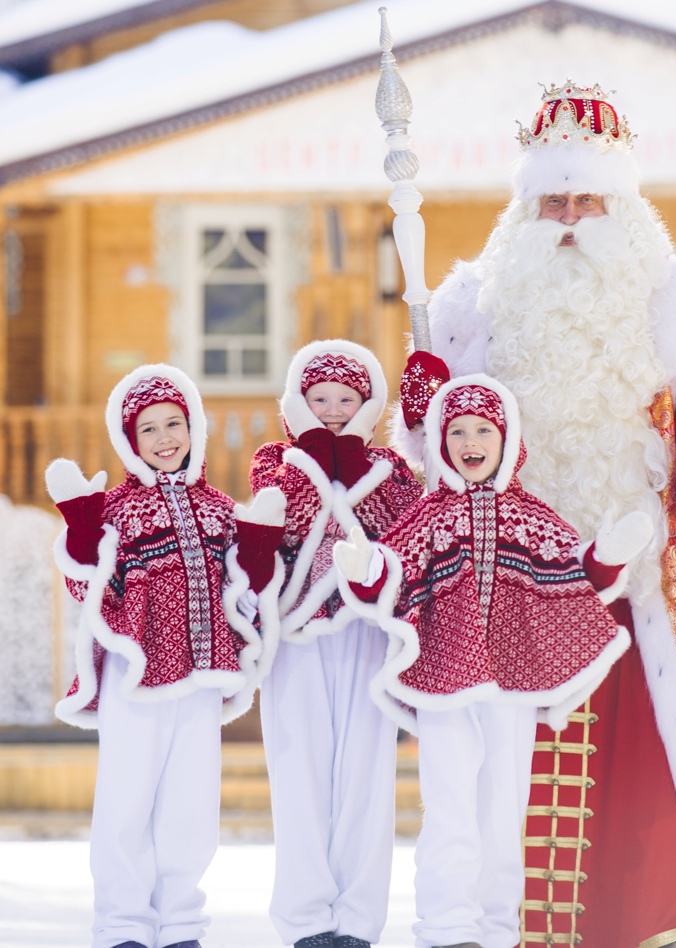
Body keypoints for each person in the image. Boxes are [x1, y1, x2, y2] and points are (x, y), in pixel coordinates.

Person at [398, 81, 676, 948]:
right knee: (508, 776)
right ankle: (507, 923)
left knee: (649, 775)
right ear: (526, 208)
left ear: (624, 204)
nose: (569, 218)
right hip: (512, 593)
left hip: (640, 580)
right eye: (553, 200)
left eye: (587, 199)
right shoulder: (467, 310)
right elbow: (438, 458)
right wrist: (421, 412)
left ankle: (655, 921)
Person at [334, 374, 646, 948]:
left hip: (513, 681)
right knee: (450, 804)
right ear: (441, 440)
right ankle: (448, 927)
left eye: (484, 429)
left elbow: (574, 577)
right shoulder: (429, 515)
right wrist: (366, 568)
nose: (470, 440)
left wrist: (606, 557)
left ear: (507, 440)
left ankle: (498, 929)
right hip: (445, 679)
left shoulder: (532, 517)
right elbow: (393, 575)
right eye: (457, 430)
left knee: (504, 809)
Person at [46, 364, 284, 948]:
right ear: (129, 441)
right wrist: (81, 526)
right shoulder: (116, 509)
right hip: (137, 672)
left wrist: (256, 549)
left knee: (191, 803)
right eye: (148, 429)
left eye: (174, 423)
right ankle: (123, 922)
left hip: (202, 674)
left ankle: (180, 920)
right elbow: (86, 585)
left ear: (194, 427)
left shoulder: (219, 509)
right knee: (128, 797)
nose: (164, 437)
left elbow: (246, 590)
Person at [247, 340, 422, 948]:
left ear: (369, 404)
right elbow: (287, 521)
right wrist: (321, 461)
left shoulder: (394, 469)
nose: (332, 411)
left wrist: (354, 464)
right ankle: (305, 918)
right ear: (297, 402)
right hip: (295, 632)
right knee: (298, 770)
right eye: (319, 400)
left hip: (366, 630)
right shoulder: (275, 460)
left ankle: (356, 921)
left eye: (346, 401)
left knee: (365, 775)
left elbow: (400, 533)